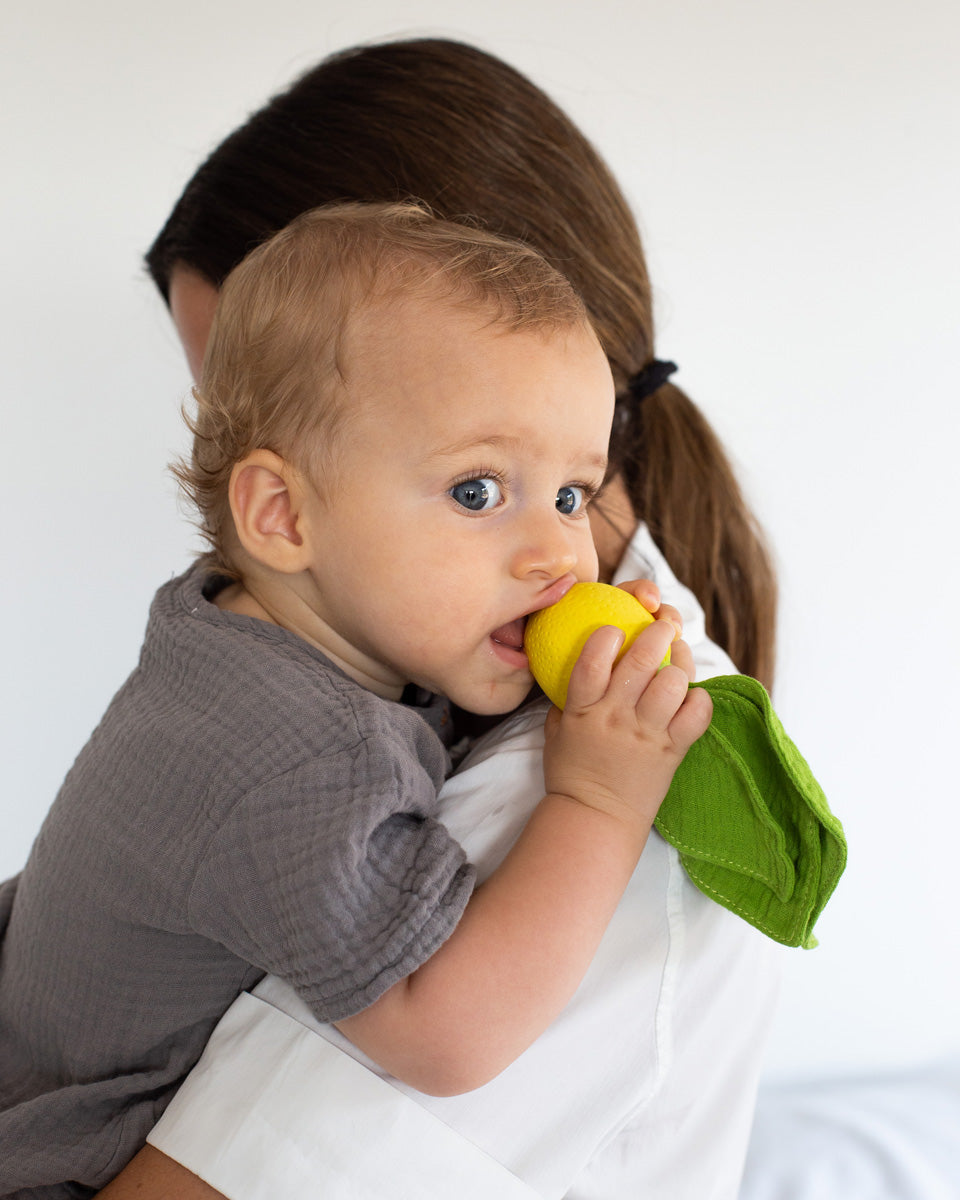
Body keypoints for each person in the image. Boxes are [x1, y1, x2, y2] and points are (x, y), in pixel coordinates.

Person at [95, 38, 783, 1200]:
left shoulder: (601, 781)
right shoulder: (364, 686)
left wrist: (595, 801)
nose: (245, 509)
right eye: (223, 432)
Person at [0, 201, 711, 1198]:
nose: (560, 553)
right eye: (478, 492)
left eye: (570, 495)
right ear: (284, 515)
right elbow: (446, 1033)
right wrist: (601, 797)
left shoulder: (231, 631)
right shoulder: (300, 755)